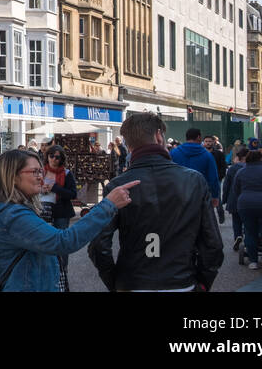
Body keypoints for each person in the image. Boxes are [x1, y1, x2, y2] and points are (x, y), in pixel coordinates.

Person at [87, 112, 224, 291]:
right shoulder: (194, 180)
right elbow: (212, 243)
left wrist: (115, 281)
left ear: (128, 144)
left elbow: (98, 245)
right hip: (181, 281)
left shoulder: (118, 186)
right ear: (159, 136)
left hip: (134, 281)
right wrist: (203, 281)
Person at [0, 148, 137, 292]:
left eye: (41, 171)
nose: (41, 177)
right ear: (13, 176)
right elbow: (63, 242)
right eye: (34, 172)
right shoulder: (12, 215)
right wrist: (108, 205)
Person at [230, 150, 262, 271]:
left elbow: (236, 190)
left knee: (250, 231)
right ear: (261, 158)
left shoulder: (241, 172)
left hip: (246, 204)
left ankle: (253, 261)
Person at [40, 145, 79, 284]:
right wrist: (41, 189)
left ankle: (62, 269)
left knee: (61, 241)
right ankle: (47, 269)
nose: (54, 159)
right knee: (45, 241)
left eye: (57, 157)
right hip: (43, 211)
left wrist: (55, 188)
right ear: (47, 156)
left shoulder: (67, 173)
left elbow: (73, 194)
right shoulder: (41, 172)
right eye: (51, 156)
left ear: (61, 159)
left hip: (61, 212)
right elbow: (32, 188)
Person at [170, 128, 220, 211]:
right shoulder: (207, 155)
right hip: (200, 196)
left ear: (186, 137)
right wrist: (215, 196)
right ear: (199, 137)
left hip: (178, 194)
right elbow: (213, 178)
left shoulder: (173, 153)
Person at [222, 144, 247, 253]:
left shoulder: (233, 168)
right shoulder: (251, 168)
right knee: (247, 221)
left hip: (234, 199)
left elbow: (226, 185)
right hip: (247, 200)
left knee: (236, 221)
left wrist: (224, 199)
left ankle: (237, 236)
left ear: (240, 158)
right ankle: (247, 239)